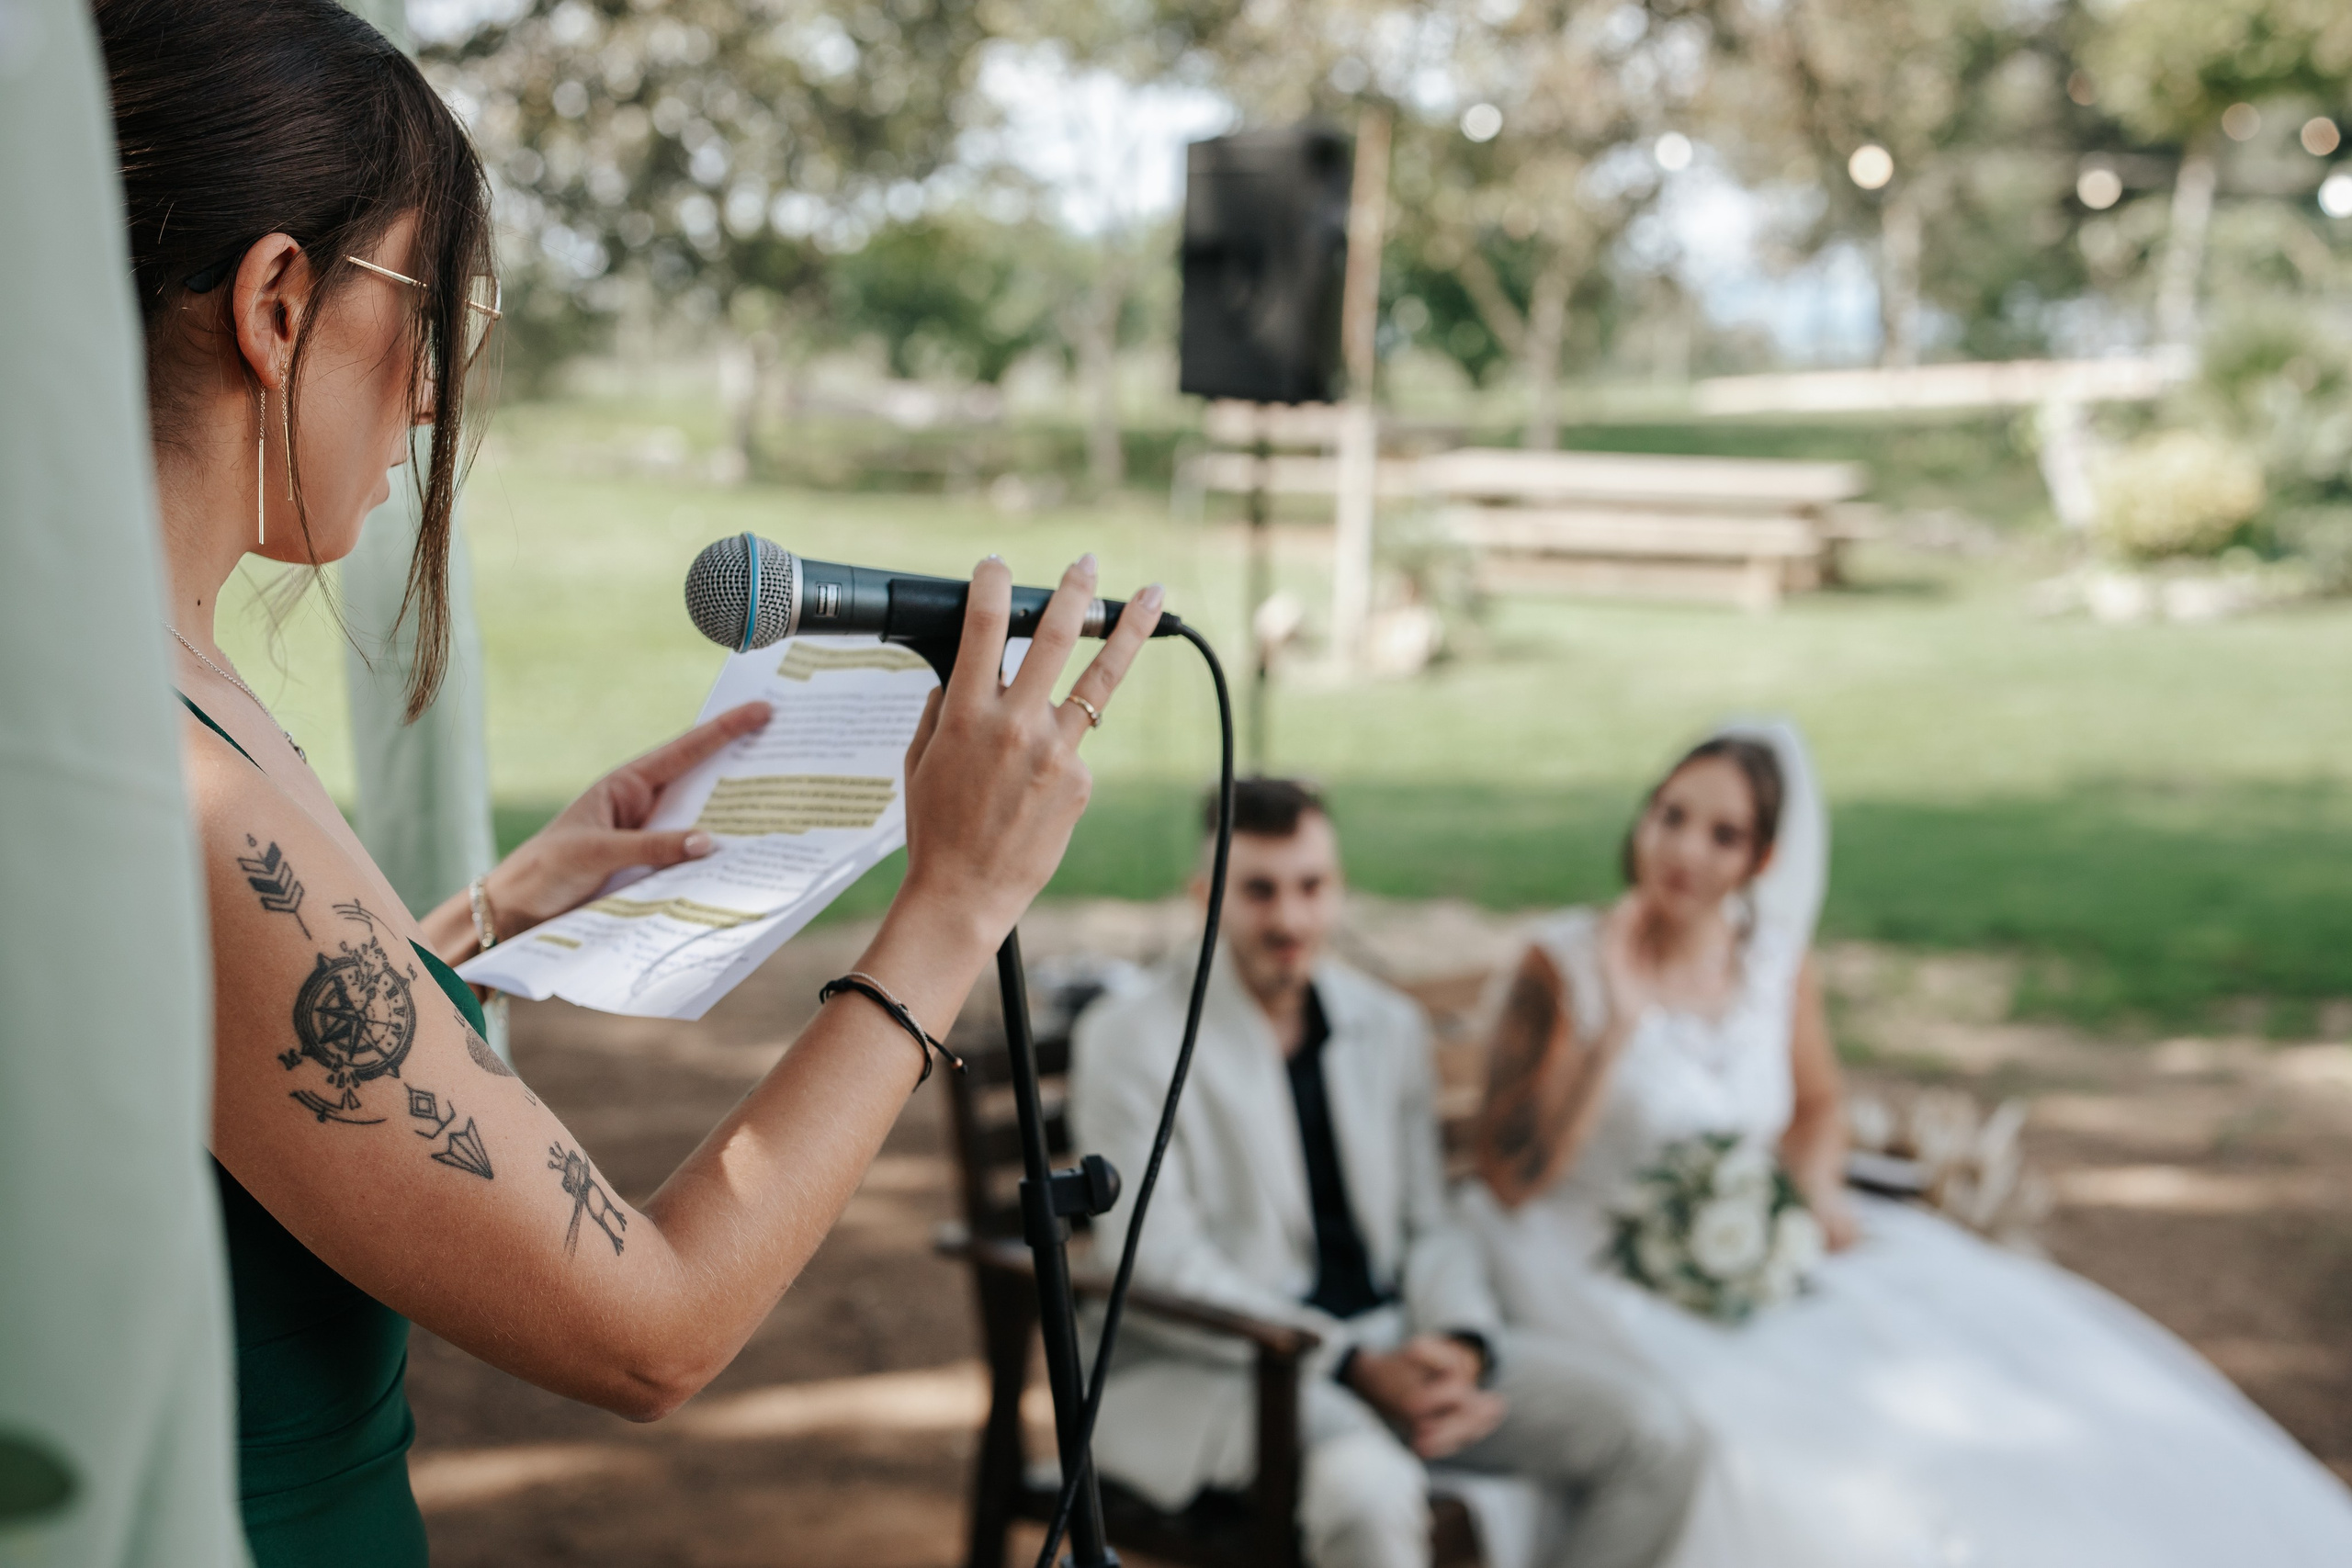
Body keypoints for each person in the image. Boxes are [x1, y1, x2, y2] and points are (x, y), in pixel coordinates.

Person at [98, 3, 1164, 1562]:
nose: (424, 398)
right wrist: (951, 909)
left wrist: (484, 914)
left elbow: (197, 1066)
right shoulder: (178, 775)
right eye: (430, 311)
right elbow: (650, 1328)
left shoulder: (130, 679)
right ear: (275, 301)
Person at [1465, 719, 2352, 1566]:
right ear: (1645, 815)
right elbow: (1513, 1176)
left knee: (1993, 1375)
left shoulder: (1770, 959)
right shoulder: (1565, 962)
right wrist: (1618, 1025)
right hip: (1589, 1261)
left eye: (1723, 834)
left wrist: (1807, 1195)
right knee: (1793, 1457)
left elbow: (1817, 1103)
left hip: (1750, 1243)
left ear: (1761, 858)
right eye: (1671, 817)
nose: (1685, 851)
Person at [1070, 779, 1705, 1568]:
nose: (1290, 918)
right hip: (1218, 1372)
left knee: (1655, 1437)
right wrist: (1349, 1363)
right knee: (1368, 1494)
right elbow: (1157, 1265)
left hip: (1396, 1347)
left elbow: (1430, 1222)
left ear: (1338, 889)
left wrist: (1460, 1342)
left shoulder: (1387, 1024)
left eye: (1311, 886)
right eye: (1258, 891)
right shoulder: (1129, 1040)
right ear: (1205, 896)